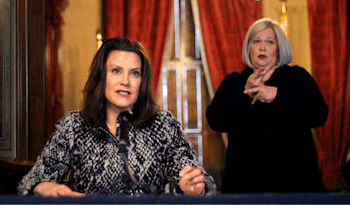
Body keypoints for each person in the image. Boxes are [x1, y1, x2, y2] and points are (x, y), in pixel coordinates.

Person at [18, 37, 217, 197]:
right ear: (101, 76)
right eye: (116, 71)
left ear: (142, 81)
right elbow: (29, 183)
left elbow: (206, 184)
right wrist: (44, 187)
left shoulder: (162, 125)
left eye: (135, 74)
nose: (125, 81)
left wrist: (193, 186)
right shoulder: (73, 126)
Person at [206, 18, 328, 193]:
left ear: (279, 48)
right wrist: (245, 92)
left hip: (295, 184)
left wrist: (278, 94)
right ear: (249, 47)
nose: (262, 47)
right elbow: (216, 121)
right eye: (257, 41)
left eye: (269, 42)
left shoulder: (297, 77)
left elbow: (319, 115)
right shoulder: (235, 81)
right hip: (245, 185)